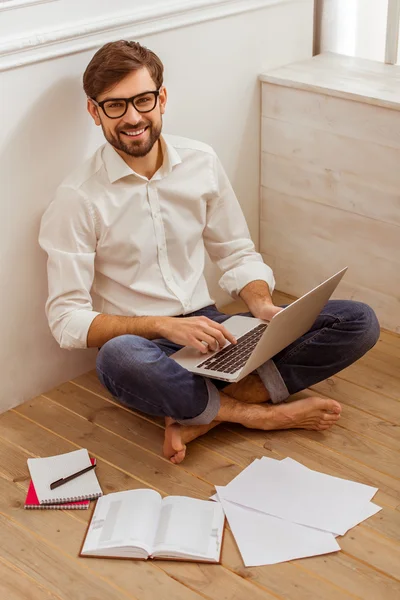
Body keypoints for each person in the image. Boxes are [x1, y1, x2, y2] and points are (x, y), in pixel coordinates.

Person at [39, 40, 380, 465]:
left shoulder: (201, 162)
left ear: (161, 99)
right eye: (115, 106)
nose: (132, 117)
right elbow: (66, 320)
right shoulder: (77, 199)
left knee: (357, 321)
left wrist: (261, 305)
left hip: (214, 327)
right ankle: (254, 415)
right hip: (146, 345)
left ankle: (206, 414)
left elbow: (236, 250)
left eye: (143, 100)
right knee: (119, 359)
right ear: (94, 112)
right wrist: (164, 326)